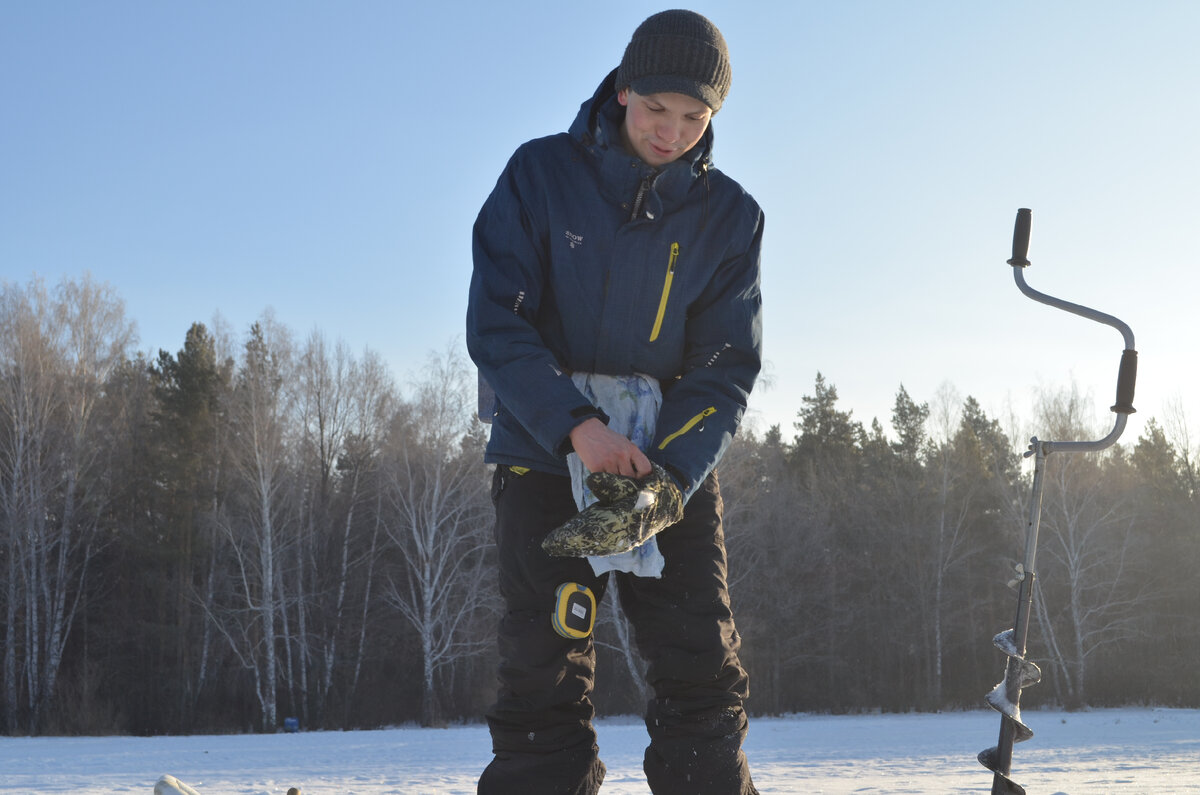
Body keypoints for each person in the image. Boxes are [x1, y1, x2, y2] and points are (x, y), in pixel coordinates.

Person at [466, 9, 763, 794]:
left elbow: (725, 366)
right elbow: (498, 322)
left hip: (668, 464)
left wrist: (666, 480)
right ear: (623, 89)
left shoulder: (732, 217)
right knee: (543, 663)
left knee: (700, 661)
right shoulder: (539, 174)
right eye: (657, 110)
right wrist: (577, 429)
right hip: (544, 451)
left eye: (695, 118)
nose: (672, 133)